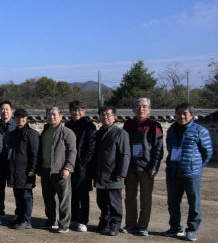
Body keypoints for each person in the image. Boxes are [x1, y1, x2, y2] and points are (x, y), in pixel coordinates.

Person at [161, 102, 213, 241]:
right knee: (173, 202)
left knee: (194, 203)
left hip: (191, 174)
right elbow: (171, 149)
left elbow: (207, 152)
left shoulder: (200, 130)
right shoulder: (171, 130)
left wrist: (196, 165)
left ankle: (192, 230)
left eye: (185, 113)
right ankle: (175, 228)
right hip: (173, 172)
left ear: (191, 115)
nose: (181, 116)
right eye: (178, 113)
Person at [122, 97, 164, 236]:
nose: (141, 109)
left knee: (146, 198)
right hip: (130, 167)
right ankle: (130, 224)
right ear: (133, 109)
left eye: (144, 106)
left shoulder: (154, 125)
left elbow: (158, 149)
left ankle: (143, 225)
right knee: (130, 197)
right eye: (138, 106)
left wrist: (155, 166)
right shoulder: (128, 124)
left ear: (149, 109)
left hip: (146, 167)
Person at [36, 106, 77, 233]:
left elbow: (72, 152)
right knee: (48, 198)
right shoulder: (45, 131)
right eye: (49, 114)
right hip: (46, 170)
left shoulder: (67, 132)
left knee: (64, 199)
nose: (51, 117)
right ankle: (51, 220)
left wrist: (68, 168)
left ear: (60, 116)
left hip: (60, 171)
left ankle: (64, 223)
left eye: (54, 114)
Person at [92, 106, 130, 236]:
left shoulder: (120, 133)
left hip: (114, 173)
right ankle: (104, 222)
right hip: (100, 172)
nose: (105, 117)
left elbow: (125, 154)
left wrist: (122, 172)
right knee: (101, 201)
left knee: (114, 201)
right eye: (103, 114)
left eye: (108, 114)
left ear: (114, 117)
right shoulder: (98, 133)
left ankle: (115, 225)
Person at [64, 100, 96, 233]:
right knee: (71, 193)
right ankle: (74, 218)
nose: (77, 113)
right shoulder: (67, 125)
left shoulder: (89, 126)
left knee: (83, 194)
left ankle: (83, 220)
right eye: (74, 110)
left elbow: (91, 147)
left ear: (84, 111)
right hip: (68, 164)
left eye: (80, 110)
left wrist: (83, 161)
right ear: (70, 111)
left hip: (83, 165)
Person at [7, 109, 39, 230]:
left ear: (26, 119)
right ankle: (19, 216)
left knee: (26, 196)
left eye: (23, 117)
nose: (20, 119)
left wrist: (33, 169)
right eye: (18, 117)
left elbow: (35, 154)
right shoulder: (13, 134)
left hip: (26, 171)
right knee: (18, 195)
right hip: (14, 170)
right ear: (14, 119)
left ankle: (27, 220)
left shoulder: (32, 134)